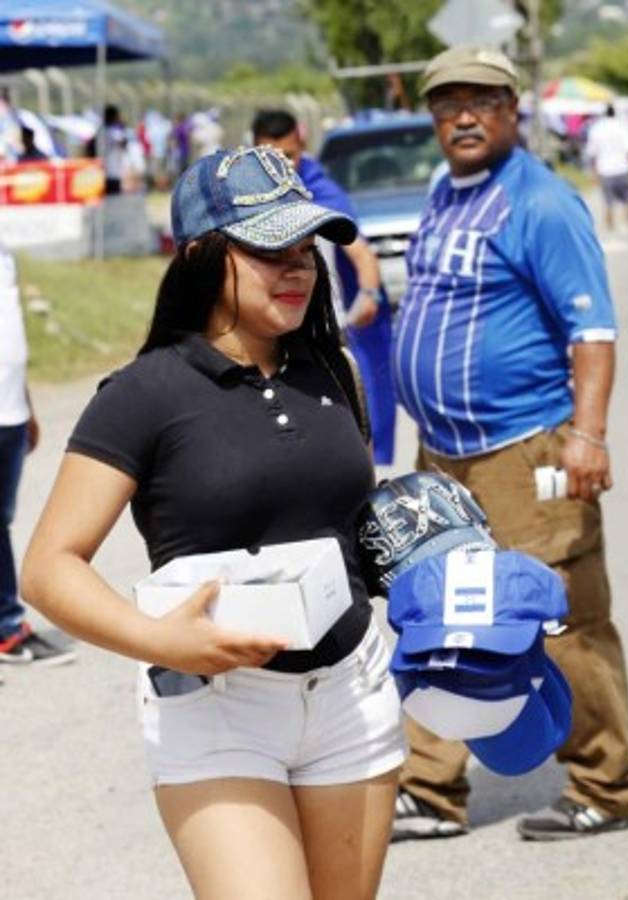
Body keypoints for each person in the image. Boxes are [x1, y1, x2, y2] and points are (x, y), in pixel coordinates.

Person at [20, 145, 405, 899]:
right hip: (218, 710)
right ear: (200, 257)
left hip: (352, 692)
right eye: (270, 250)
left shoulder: (334, 367)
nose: (297, 268)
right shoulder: (141, 394)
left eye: (306, 248)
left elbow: (342, 526)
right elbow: (48, 566)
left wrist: (428, 553)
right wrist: (159, 640)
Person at [391, 45, 628, 841]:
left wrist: (587, 436)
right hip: (442, 450)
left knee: (558, 615)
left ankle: (608, 783)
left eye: (482, 101)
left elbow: (591, 332)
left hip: (524, 448)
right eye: (447, 103)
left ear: (511, 110)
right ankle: (430, 787)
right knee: (436, 616)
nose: (463, 116)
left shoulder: (540, 202)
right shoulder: (444, 192)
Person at [252, 109, 397, 465]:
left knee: (349, 429)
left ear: (302, 145)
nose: (282, 167)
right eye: (270, 157)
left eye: (289, 156)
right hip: (269, 331)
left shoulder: (320, 194)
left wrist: (368, 295)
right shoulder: (248, 195)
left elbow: (362, 255)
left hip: (322, 330)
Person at [0, 242, 75, 668]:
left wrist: (25, 403)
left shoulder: (6, 253)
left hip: (9, 409)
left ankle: (6, 628)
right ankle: (7, 626)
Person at [585, 104, 628, 233]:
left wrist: (593, 172)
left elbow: (592, 153)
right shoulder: (623, 127)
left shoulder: (596, 129)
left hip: (605, 169)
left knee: (608, 201)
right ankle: (626, 223)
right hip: (623, 168)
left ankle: (611, 226)